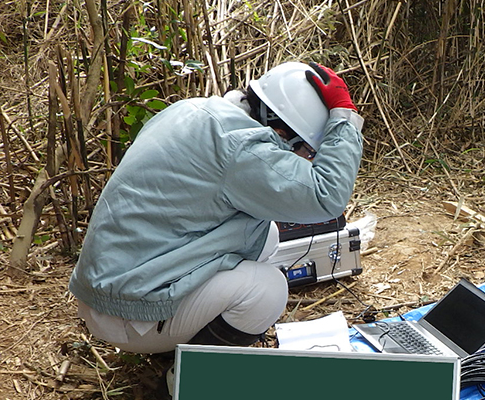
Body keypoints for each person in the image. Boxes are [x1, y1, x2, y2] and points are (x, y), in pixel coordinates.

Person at [69, 61, 363, 359]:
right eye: (307, 152)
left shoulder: (197, 111)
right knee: (267, 291)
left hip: (110, 288)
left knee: (267, 236)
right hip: (128, 314)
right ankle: (185, 376)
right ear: (282, 132)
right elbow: (327, 197)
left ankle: (174, 341)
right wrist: (344, 118)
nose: (306, 159)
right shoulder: (243, 150)